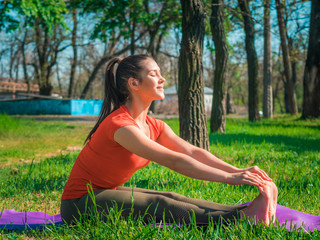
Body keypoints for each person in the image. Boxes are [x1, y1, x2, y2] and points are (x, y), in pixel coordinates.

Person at [60, 54, 278, 226]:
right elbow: (174, 161)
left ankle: (240, 210)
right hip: (79, 205)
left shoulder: (153, 125)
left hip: (105, 192)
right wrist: (229, 178)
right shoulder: (121, 126)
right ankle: (240, 220)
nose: (162, 78)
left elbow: (192, 152)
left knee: (170, 195)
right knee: (160, 204)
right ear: (134, 84)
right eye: (154, 74)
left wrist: (238, 170)